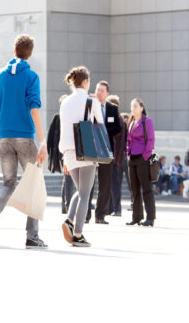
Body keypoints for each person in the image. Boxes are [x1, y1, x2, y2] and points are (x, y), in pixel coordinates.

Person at [0, 34, 48, 249]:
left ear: (14, 51)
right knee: (34, 183)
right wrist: (43, 141)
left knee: (8, 182)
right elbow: (34, 108)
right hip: (25, 137)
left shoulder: (0, 75)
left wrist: (0, 131)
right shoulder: (31, 77)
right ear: (30, 53)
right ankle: (32, 236)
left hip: (5, 137)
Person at [58, 67, 100, 247]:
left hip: (67, 151)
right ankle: (78, 233)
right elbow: (100, 124)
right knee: (85, 194)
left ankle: (69, 220)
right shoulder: (92, 101)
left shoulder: (65, 102)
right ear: (85, 81)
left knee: (80, 190)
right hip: (86, 148)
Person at [92, 81, 122, 224]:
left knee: (105, 184)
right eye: (98, 90)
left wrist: (103, 131)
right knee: (89, 183)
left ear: (107, 93)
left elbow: (118, 128)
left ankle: (100, 215)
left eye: (102, 91)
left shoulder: (112, 108)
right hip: (91, 149)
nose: (99, 93)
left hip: (107, 149)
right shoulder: (89, 105)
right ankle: (85, 215)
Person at [125, 98, 156, 227]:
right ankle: (136, 217)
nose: (133, 108)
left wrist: (145, 155)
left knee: (146, 189)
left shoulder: (147, 121)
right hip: (132, 159)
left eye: (136, 106)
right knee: (134, 190)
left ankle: (150, 218)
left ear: (141, 108)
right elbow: (128, 140)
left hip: (143, 158)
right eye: (132, 106)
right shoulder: (131, 122)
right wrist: (127, 154)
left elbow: (151, 140)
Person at [108, 95, 127, 216]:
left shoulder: (115, 119)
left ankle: (116, 209)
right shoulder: (120, 119)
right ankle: (112, 208)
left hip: (113, 158)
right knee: (112, 184)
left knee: (114, 184)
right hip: (117, 157)